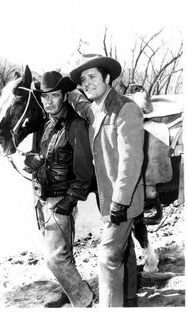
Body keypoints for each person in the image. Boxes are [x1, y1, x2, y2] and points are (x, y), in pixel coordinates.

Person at [68, 54, 145, 307]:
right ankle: (130, 300)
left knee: (108, 256)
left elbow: (131, 161)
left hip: (124, 199)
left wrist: (119, 203)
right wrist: (61, 87)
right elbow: (79, 102)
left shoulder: (126, 109)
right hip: (110, 198)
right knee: (126, 249)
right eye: (83, 79)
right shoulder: (96, 109)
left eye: (92, 77)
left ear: (108, 78)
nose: (87, 83)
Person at [23, 71, 94, 308]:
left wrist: (69, 201)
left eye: (54, 95)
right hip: (41, 196)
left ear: (64, 95)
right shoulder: (45, 124)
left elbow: (85, 173)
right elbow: (46, 156)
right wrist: (32, 161)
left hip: (60, 198)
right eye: (45, 97)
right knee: (63, 252)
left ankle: (84, 301)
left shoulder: (76, 125)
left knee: (54, 259)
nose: (49, 101)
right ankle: (69, 292)